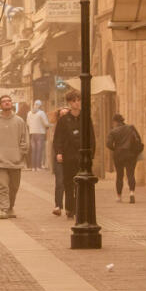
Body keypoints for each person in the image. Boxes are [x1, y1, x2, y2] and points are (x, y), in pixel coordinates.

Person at [0, 95, 29, 219]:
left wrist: (21, 153)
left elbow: (24, 139)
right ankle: (4, 209)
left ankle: (10, 207)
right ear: (0, 105)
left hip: (16, 161)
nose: (7, 103)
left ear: (12, 104)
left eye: (9, 101)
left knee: (14, 187)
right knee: (2, 187)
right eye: (4, 102)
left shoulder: (19, 121)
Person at [53, 90, 94, 219]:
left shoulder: (86, 118)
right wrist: (59, 152)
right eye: (74, 101)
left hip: (82, 157)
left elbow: (91, 137)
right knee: (69, 183)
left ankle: (79, 208)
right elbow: (58, 137)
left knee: (81, 184)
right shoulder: (64, 120)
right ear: (70, 103)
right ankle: (70, 208)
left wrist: (91, 154)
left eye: (79, 100)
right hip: (68, 155)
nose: (77, 103)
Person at [105, 114, 143, 203]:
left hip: (118, 155)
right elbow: (138, 139)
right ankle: (132, 193)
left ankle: (119, 196)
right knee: (130, 174)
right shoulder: (131, 128)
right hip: (130, 154)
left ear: (115, 122)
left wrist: (115, 149)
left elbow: (109, 144)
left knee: (119, 175)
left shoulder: (113, 132)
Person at [51, 106, 69, 214]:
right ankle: (58, 205)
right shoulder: (56, 127)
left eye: (66, 114)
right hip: (60, 157)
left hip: (71, 158)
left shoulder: (74, 125)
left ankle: (70, 207)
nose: (64, 117)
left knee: (71, 183)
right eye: (62, 115)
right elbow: (55, 142)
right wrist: (58, 153)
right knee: (60, 182)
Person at [27, 100, 51, 171]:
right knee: (39, 150)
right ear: (40, 106)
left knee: (33, 150)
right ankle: (38, 167)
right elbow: (46, 123)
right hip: (40, 133)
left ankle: (33, 167)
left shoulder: (29, 113)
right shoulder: (41, 113)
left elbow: (28, 123)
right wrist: (51, 125)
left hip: (32, 133)